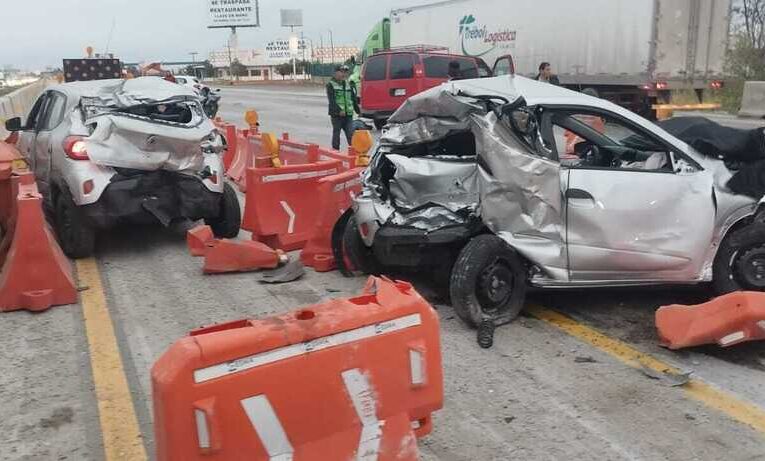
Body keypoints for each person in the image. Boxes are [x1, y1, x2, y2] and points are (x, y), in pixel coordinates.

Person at [326, 65, 360, 150]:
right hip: (337, 115)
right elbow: (332, 101)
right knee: (336, 135)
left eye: (345, 72)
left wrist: (358, 110)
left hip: (348, 115)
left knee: (351, 135)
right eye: (341, 72)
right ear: (336, 73)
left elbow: (353, 99)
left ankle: (353, 155)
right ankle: (335, 153)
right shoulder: (331, 85)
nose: (343, 74)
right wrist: (339, 110)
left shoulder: (349, 84)